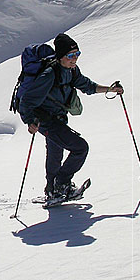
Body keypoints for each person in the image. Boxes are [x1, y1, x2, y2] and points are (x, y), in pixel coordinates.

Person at [19, 33, 123, 201]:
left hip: (58, 119)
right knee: (80, 148)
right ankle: (62, 184)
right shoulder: (49, 74)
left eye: (77, 54)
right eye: (70, 55)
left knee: (55, 154)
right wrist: (29, 121)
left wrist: (110, 89)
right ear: (61, 56)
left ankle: (52, 190)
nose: (74, 59)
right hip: (45, 120)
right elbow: (26, 101)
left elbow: (87, 86)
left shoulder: (72, 71)